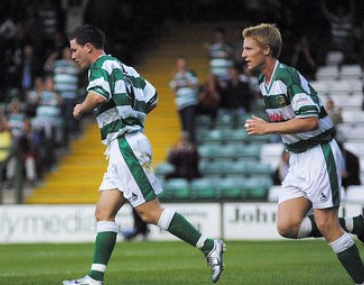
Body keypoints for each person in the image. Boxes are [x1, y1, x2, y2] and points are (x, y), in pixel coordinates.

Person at [62, 24, 225, 285]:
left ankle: (209, 245)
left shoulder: (100, 67)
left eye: (74, 49)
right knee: (104, 212)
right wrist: (130, 113)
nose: (72, 55)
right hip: (124, 143)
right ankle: (94, 278)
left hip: (126, 144)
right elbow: (153, 98)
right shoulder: (126, 69)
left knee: (150, 213)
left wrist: (81, 107)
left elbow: (98, 95)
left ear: (88, 47)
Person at [241, 23, 364, 284]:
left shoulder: (287, 77)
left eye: (248, 48)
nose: (243, 54)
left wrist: (268, 128)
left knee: (328, 226)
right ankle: (355, 224)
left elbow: (310, 121)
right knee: (287, 225)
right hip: (298, 158)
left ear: (266, 49)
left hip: (319, 153)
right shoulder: (264, 81)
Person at [169, 57, 199, 143]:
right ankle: (186, 146)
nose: (181, 65)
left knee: (190, 125)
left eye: (183, 63)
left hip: (190, 102)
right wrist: (175, 79)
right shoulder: (175, 76)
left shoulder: (191, 74)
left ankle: (193, 144)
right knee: (184, 127)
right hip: (180, 103)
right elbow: (173, 91)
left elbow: (195, 87)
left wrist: (185, 77)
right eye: (179, 64)